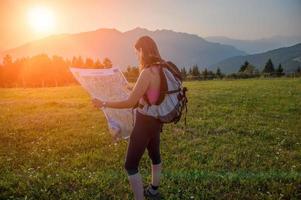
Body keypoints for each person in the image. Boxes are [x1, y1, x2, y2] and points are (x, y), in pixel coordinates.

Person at [92, 36, 166, 200]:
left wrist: (103, 102)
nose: (137, 56)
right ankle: (154, 191)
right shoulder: (160, 68)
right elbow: (152, 94)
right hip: (156, 120)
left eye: (137, 52)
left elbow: (129, 102)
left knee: (130, 165)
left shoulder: (147, 72)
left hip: (144, 122)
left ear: (142, 50)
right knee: (155, 155)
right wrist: (132, 87)